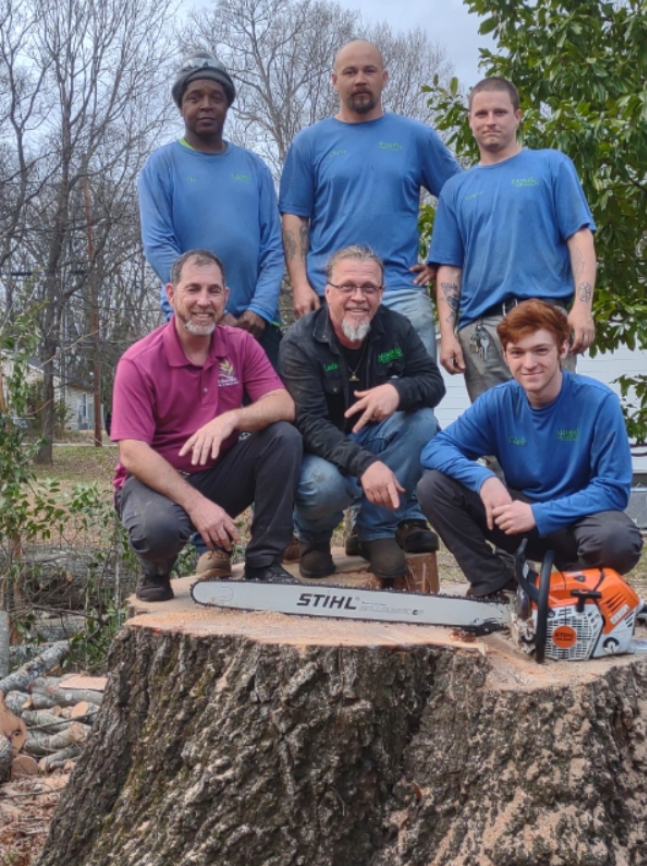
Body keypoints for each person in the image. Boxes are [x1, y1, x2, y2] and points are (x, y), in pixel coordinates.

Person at [417, 300, 642, 599]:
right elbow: (436, 449)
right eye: (517, 353)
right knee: (434, 486)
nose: (529, 363)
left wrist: (539, 513)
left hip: (580, 523)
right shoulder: (498, 402)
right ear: (505, 355)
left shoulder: (599, 402)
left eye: (540, 350)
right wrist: (483, 479)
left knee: (618, 540)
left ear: (563, 349)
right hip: (519, 521)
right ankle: (496, 584)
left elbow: (613, 490)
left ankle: (569, 589)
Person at [110, 250, 302, 602]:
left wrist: (232, 418)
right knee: (158, 529)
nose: (204, 301)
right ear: (171, 294)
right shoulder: (138, 362)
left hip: (219, 472)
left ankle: (264, 563)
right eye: (193, 289)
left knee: (283, 438)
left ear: (225, 297)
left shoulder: (240, 345)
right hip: (155, 482)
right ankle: (155, 570)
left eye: (213, 291)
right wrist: (197, 506)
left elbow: (283, 404)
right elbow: (132, 453)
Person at [279, 39, 460, 359]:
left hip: (401, 292)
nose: (360, 79)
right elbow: (294, 217)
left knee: (413, 389)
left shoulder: (416, 137)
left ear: (384, 78)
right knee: (331, 391)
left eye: (369, 71)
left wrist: (440, 257)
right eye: (350, 72)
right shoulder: (309, 143)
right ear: (334, 80)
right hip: (330, 294)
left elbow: (460, 198)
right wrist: (301, 285)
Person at [279, 246, 445, 583]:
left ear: (381, 293)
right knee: (324, 483)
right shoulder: (299, 343)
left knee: (423, 422)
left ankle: (376, 531)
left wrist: (397, 391)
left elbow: (433, 383)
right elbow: (309, 423)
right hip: (321, 449)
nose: (359, 297)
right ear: (328, 292)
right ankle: (314, 537)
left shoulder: (397, 328)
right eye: (348, 287)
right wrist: (366, 465)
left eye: (369, 288)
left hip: (373, 436)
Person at [429, 76, 597, 403]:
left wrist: (582, 306)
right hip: (480, 331)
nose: (490, 121)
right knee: (496, 428)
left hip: (544, 316)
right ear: (470, 120)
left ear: (517, 116)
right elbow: (450, 268)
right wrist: (447, 334)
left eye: (500, 112)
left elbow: (580, 238)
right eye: (481, 114)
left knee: (555, 420)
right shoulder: (455, 190)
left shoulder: (551, 166)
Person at [138, 51, 284, 369]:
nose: (206, 105)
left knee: (274, 402)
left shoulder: (254, 167)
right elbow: (158, 246)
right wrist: (214, 310)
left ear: (227, 105)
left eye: (215, 97)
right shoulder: (161, 166)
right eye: (195, 98)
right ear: (181, 106)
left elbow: (274, 247)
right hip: (192, 321)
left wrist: (259, 308)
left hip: (258, 327)